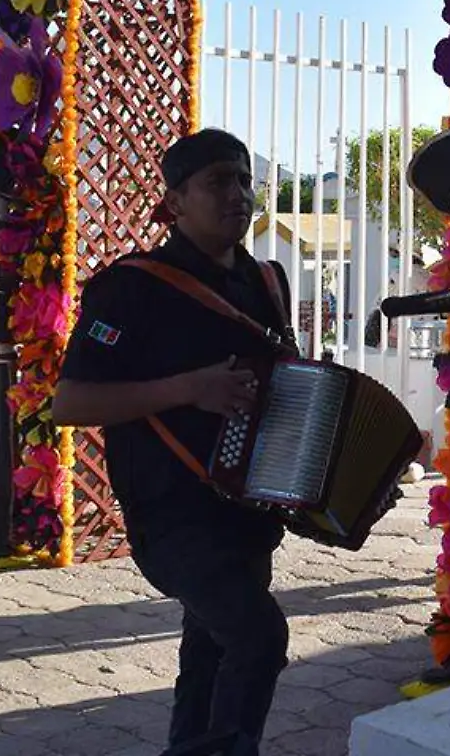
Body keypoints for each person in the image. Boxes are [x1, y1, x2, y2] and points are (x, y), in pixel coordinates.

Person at [51, 129, 297, 756]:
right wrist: (189, 388)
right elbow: (71, 403)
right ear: (177, 200)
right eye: (218, 181)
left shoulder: (268, 282)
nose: (238, 194)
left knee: (210, 653)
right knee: (259, 637)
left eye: (244, 180)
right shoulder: (133, 287)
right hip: (170, 514)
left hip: (248, 508)